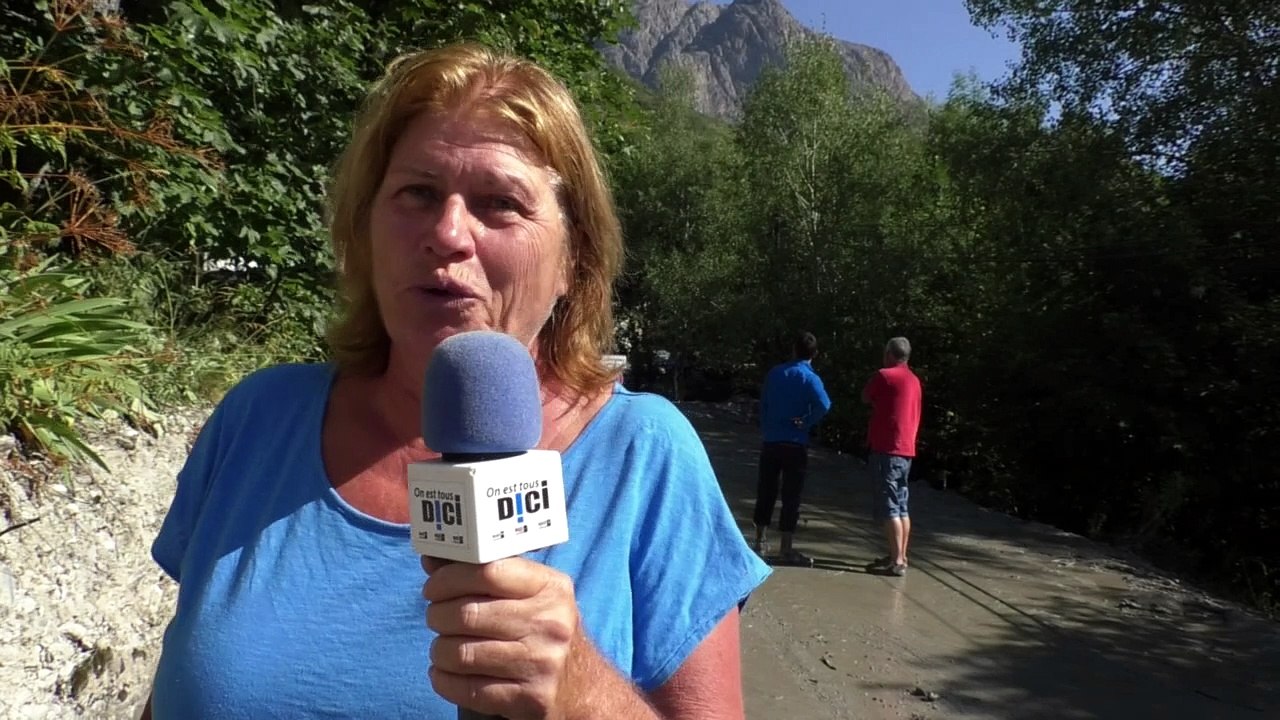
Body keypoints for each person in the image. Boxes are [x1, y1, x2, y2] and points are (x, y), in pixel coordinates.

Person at [141, 43, 770, 719]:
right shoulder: (257, 419)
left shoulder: (644, 456)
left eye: (500, 203)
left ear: (571, 260)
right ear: (366, 230)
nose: (447, 234)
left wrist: (584, 693)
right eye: (417, 193)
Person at [751, 331, 832, 567]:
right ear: (814, 354)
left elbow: (763, 403)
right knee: (791, 496)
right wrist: (806, 421)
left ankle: (759, 541)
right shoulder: (810, 378)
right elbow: (824, 405)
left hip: (772, 441)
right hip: (795, 443)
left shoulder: (776, 373)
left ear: (794, 350)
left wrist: (766, 428)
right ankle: (786, 547)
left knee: (766, 490)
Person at [861, 337, 922, 577]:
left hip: (887, 448)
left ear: (889, 354)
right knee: (902, 504)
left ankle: (896, 561)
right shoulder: (915, 380)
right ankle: (900, 554)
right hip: (906, 449)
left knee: (889, 506)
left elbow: (865, 396)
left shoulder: (885, 376)